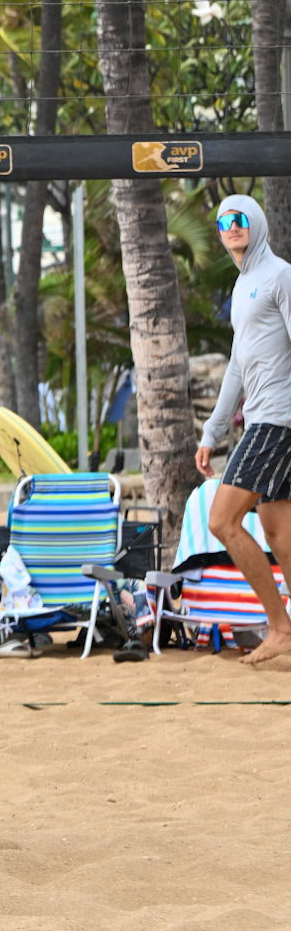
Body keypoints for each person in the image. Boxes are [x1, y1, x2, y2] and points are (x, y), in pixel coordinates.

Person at [197, 194, 291, 667]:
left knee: (222, 521)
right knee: (281, 534)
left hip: (279, 418)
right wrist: (212, 432)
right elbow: (236, 365)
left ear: (256, 223)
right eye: (223, 222)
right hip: (262, 417)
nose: (231, 227)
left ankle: (279, 627)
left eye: (240, 219)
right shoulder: (242, 287)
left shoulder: (281, 275)